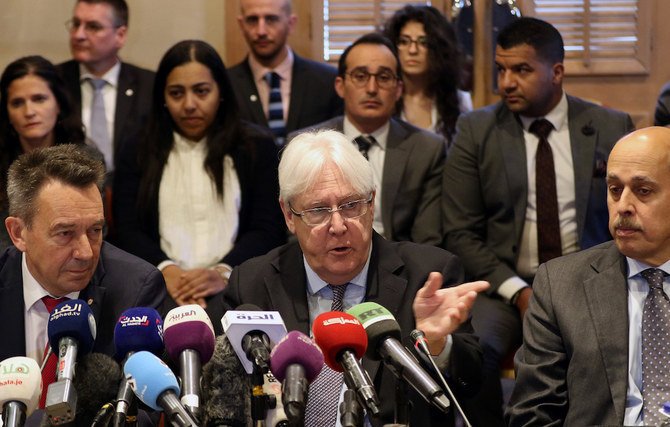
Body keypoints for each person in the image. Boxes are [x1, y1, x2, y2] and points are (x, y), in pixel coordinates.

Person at [208, 129, 488, 426]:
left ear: (371, 204)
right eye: (318, 210)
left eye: (351, 205)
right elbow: (215, 388)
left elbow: (472, 386)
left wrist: (436, 345)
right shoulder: (251, 283)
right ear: (289, 215)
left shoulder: (428, 274)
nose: (338, 225)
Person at [442, 17, 635, 426]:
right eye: (501, 69)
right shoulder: (477, 130)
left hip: (593, 276)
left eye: (522, 70)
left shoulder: (609, 126)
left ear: (557, 72)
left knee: (617, 342)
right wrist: (520, 292)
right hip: (505, 285)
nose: (506, 82)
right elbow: (460, 232)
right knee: (478, 349)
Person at [507, 126, 670, 426]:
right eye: (614, 189)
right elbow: (532, 414)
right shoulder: (560, 284)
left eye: (643, 191)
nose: (623, 207)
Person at [113, 40, 285, 310]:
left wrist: (224, 272)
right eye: (177, 93)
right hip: (158, 286)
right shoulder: (138, 147)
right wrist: (165, 270)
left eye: (202, 91)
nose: (189, 104)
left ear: (221, 93)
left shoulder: (256, 146)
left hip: (237, 286)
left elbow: (267, 228)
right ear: (163, 98)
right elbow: (127, 228)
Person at [0, 144, 166, 399]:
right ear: (18, 233)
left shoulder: (135, 291)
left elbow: (141, 414)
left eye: (95, 230)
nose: (86, 252)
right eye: (65, 233)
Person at [292, 33, 446, 246]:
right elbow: (295, 229)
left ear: (398, 89)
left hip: (399, 269)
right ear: (340, 85)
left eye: (383, 78)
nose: (372, 89)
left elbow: (427, 241)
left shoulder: (426, 149)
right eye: (360, 76)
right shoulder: (305, 145)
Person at [0, 55, 97, 252]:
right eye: (17, 103)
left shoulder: (87, 160)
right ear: (7, 113)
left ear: (58, 104)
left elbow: (94, 231)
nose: (29, 111)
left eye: (39, 99)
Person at [57, 0, 154, 178]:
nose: (78, 35)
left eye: (93, 27)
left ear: (120, 35)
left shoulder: (149, 86)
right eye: (76, 24)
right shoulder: (54, 82)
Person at [228, 0, 343, 145]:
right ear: (241, 25)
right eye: (252, 20)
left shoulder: (327, 81)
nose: (261, 31)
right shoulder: (226, 85)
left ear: (291, 23)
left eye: (271, 19)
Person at [383, 4, 472, 144]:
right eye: (404, 41)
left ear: (440, 49)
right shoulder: (383, 97)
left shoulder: (461, 102)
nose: (412, 50)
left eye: (423, 42)